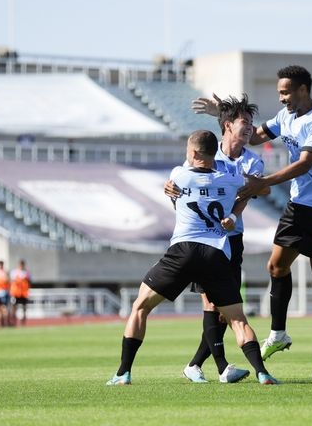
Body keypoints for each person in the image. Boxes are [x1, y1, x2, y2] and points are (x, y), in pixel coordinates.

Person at [192, 65, 312, 380]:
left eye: (285, 92)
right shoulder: (285, 116)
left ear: (303, 89)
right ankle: (279, 333)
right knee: (276, 267)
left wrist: (265, 182)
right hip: (297, 203)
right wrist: (224, 114)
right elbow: (257, 135)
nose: (281, 98)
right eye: (279, 93)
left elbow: (305, 163)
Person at [106, 130, 278, 386]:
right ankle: (262, 373)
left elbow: (174, 192)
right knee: (237, 320)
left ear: (194, 153)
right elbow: (261, 188)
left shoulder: (179, 173)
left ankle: (123, 373)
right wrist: (235, 209)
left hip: (183, 251)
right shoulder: (231, 179)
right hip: (217, 254)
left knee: (140, 307)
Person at [165, 94, 269, 383]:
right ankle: (218, 367)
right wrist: (170, 188)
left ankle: (197, 365)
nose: (249, 128)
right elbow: (182, 183)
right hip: (203, 239)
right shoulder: (210, 153)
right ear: (227, 126)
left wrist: (234, 217)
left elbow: (247, 195)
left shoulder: (253, 161)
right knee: (213, 304)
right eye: (244, 123)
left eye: (251, 124)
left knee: (225, 308)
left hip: (232, 238)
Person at [9, 259, 31, 326]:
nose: (21, 265)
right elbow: (11, 281)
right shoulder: (14, 272)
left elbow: (29, 282)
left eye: (22, 264)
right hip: (15, 293)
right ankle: (13, 321)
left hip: (23, 294)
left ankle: (23, 322)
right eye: (20, 264)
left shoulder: (26, 273)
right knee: (14, 307)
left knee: (24, 308)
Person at [0, 260, 10, 327]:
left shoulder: (1, 273)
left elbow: (6, 281)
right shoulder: (2, 272)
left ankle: (5, 322)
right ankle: (1, 322)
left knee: (3, 308)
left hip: (2, 292)